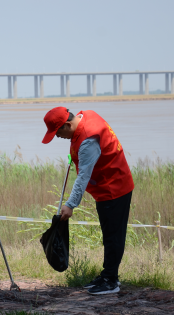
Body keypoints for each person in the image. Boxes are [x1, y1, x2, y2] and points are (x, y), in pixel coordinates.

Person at [42, 107, 134, 295]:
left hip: (114, 189)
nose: (58, 137)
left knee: (112, 237)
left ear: (67, 124)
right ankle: (107, 274)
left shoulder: (88, 141)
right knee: (108, 235)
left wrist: (70, 205)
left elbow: (83, 176)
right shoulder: (86, 116)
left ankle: (111, 281)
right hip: (106, 189)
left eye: (58, 132)